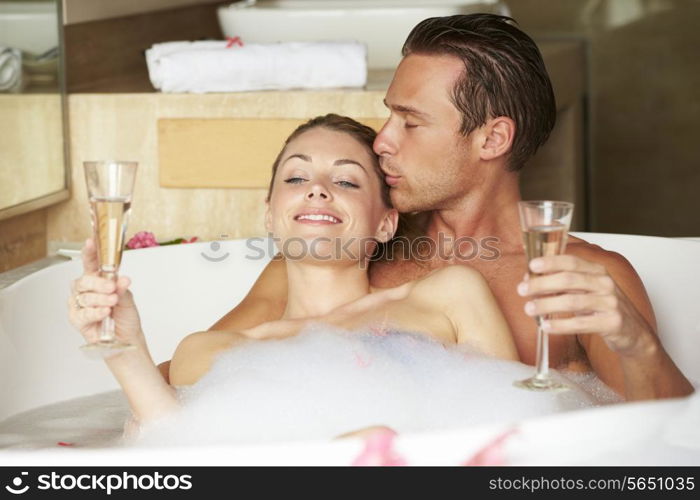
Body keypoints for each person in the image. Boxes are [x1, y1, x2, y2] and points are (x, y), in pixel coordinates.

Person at [205, 14, 694, 401]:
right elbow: (190, 384)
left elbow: (669, 441)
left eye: (411, 123)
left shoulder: (581, 280)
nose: (382, 141)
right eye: (388, 114)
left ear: (493, 138)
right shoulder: (350, 249)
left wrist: (637, 342)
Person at [68, 114, 518, 427]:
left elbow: (524, 431)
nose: (317, 191)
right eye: (296, 178)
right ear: (269, 214)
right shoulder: (208, 352)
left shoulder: (450, 297)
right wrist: (124, 349)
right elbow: (180, 453)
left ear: (385, 221)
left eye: (345, 181)